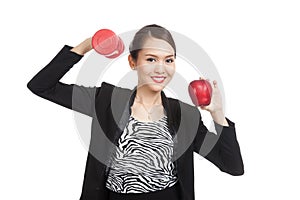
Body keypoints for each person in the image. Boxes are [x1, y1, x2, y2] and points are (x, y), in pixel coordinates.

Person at [27, 24, 244, 200]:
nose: (161, 68)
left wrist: (217, 114)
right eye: (151, 59)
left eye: (168, 60)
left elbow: (232, 166)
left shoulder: (185, 114)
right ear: (133, 62)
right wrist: (86, 46)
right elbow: (41, 86)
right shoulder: (105, 100)